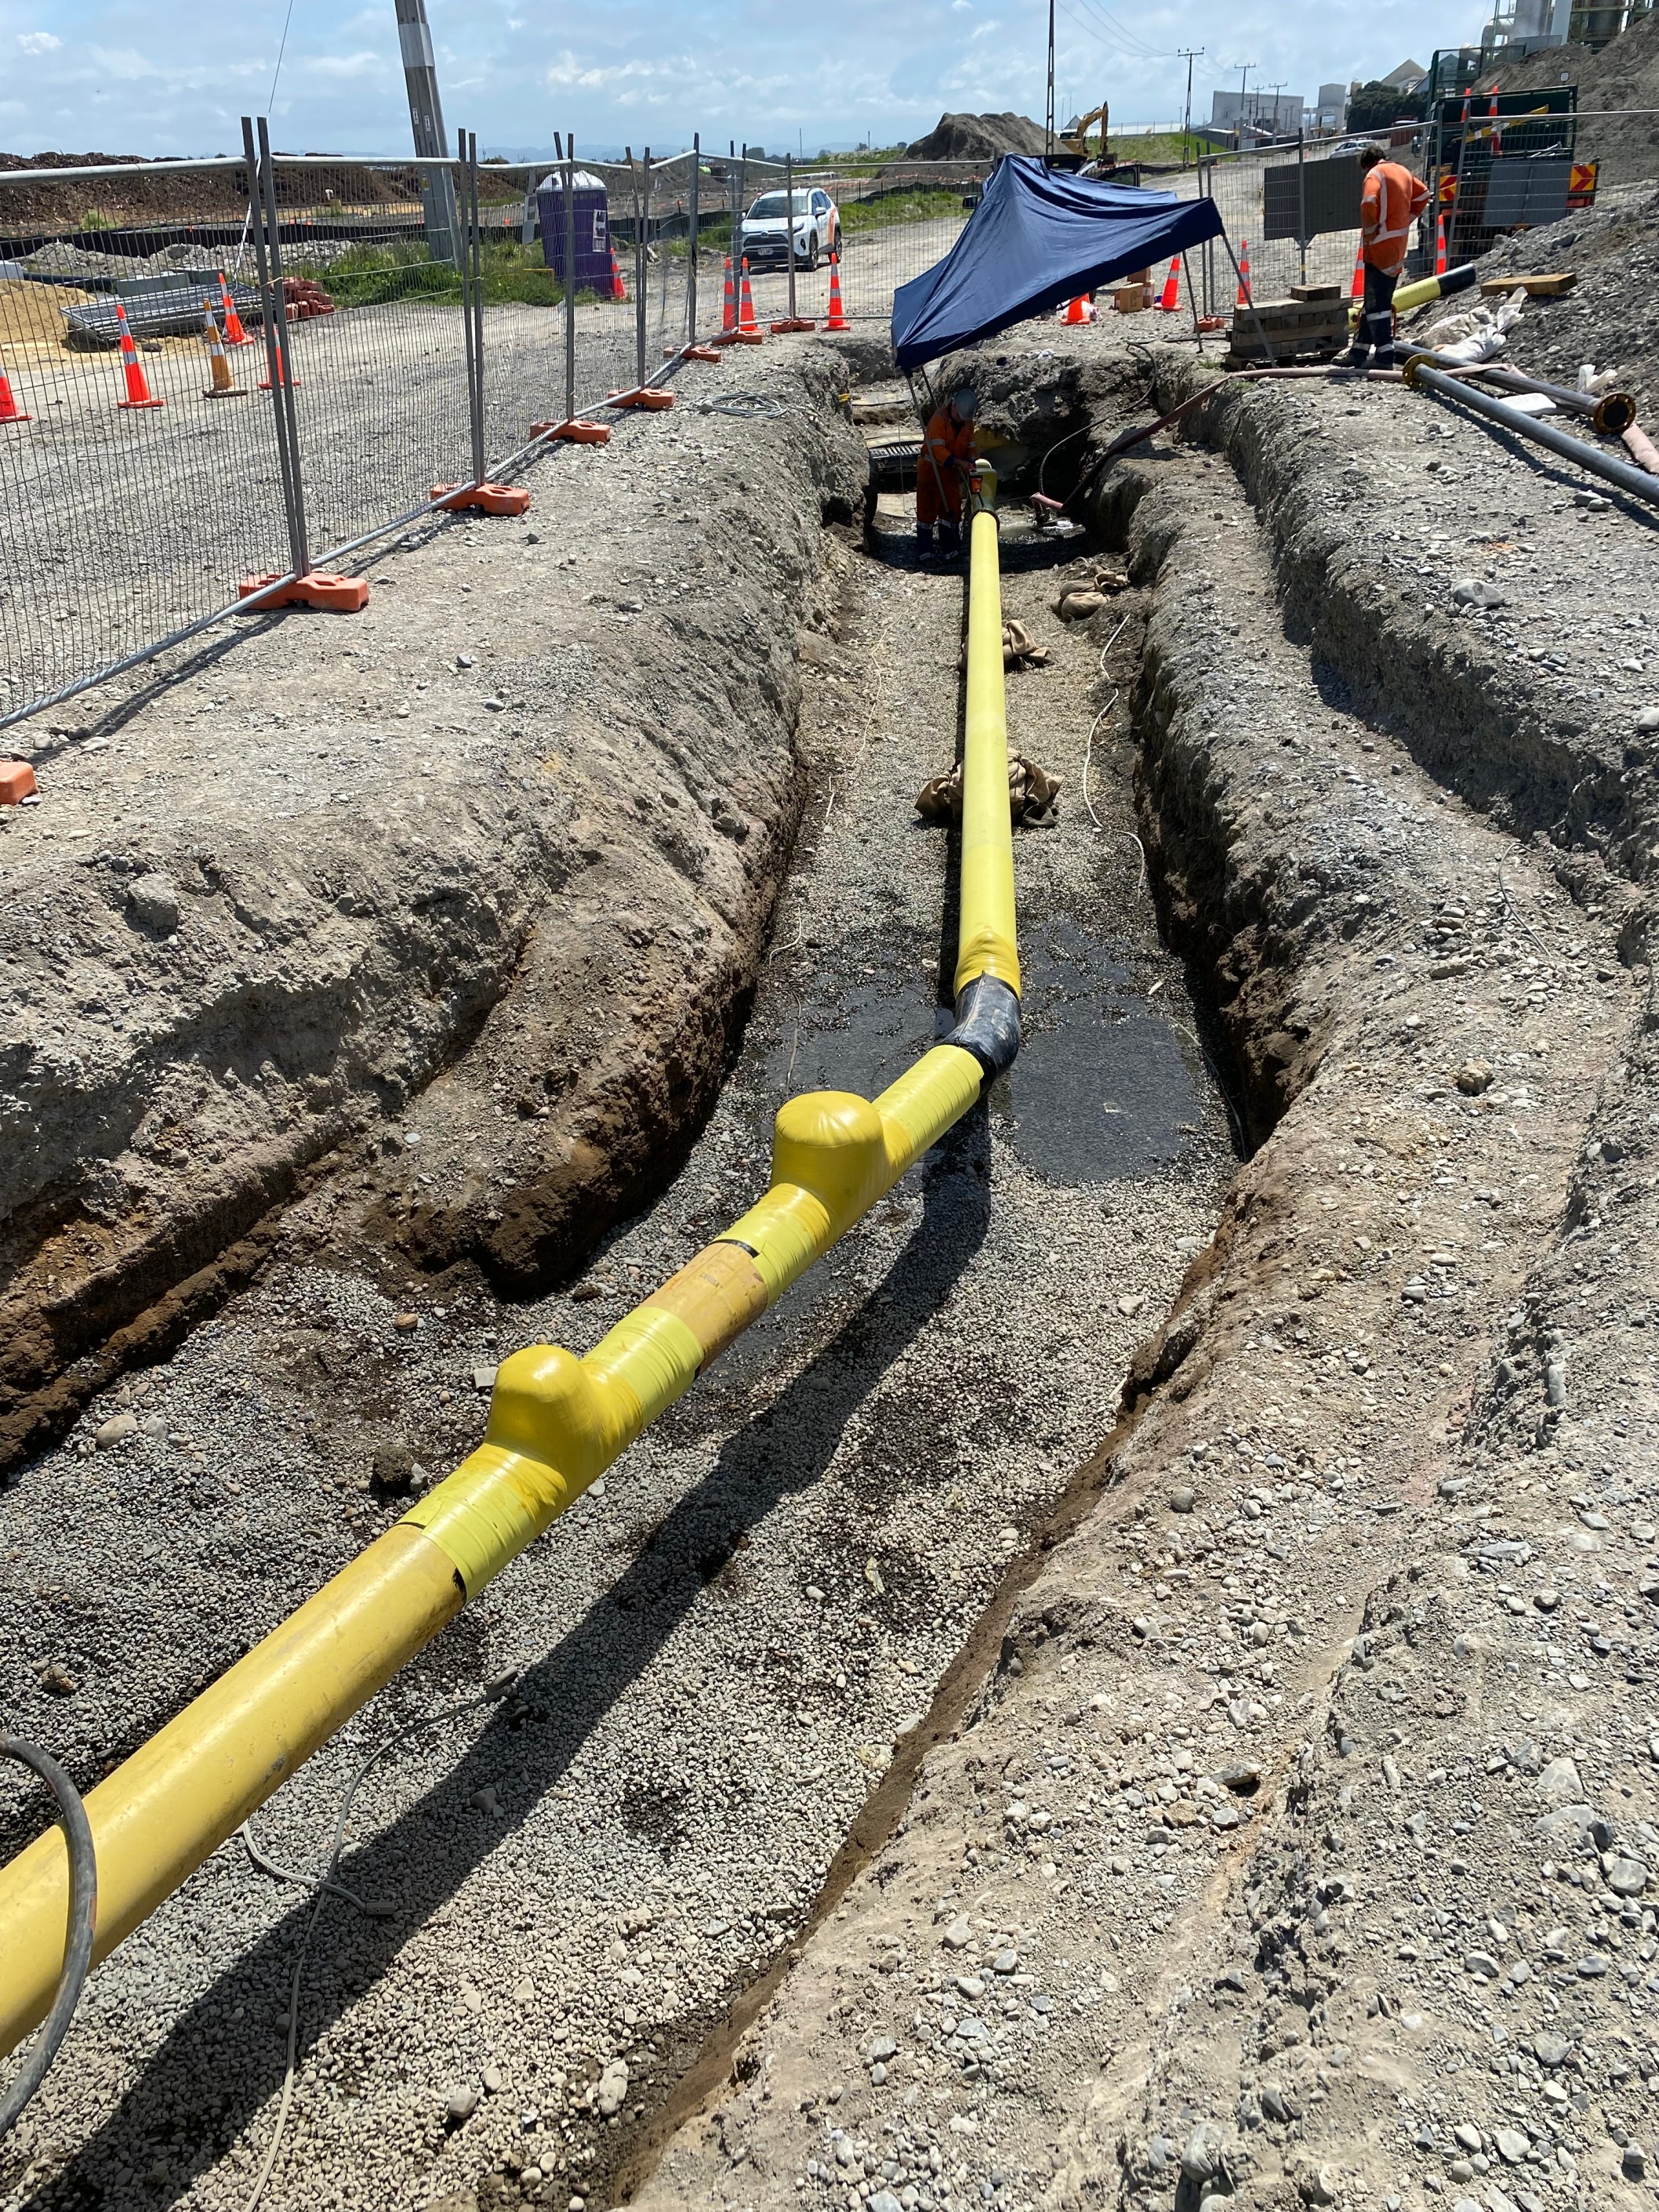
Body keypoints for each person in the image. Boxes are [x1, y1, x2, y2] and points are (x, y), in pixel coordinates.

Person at [1341, 143, 1429, 372]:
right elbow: (1424, 195)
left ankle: (1384, 355)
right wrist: (1404, 221)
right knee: (1375, 300)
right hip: (1397, 244)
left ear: (1366, 164)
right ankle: (1359, 352)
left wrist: (1371, 232)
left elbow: (1369, 203)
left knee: (1377, 303)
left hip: (1380, 246)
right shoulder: (1402, 171)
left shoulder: (1374, 174)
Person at [917, 387, 976, 563]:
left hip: (950, 470)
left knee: (951, 508)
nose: (961, 420)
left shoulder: (967, 422)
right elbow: (938, 450)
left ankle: (951, 552)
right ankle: (925, 554)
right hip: (931, 469)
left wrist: (972, 460)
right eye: (959, 416)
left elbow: (971, 445)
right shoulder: (939, 420)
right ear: (954, 405)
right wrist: (961, 463)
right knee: (927, 509)